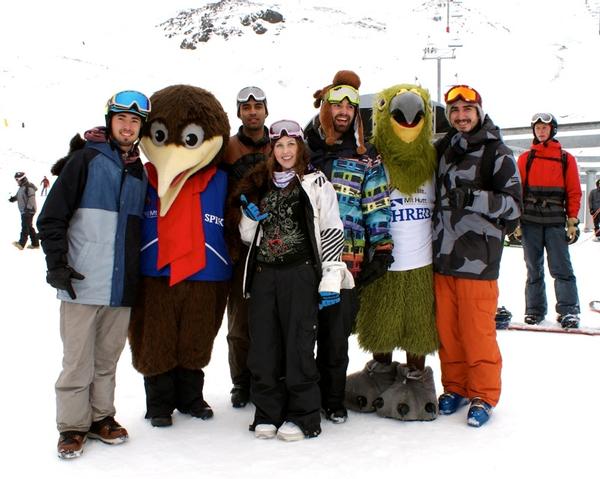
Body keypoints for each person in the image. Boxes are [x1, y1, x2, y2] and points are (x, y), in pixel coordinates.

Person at [37, 90, 150, 459]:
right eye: (122, 119)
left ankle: (102, 417)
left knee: (106, 359)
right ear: (110, 121)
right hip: (81, 281)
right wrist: (57, 265)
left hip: (120, 287)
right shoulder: (84, 161)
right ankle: (71, 426)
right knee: (77, 361)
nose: (128, 126)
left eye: (135, 121)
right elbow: (51, 217)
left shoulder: (138, 171)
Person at [232, 119, 352, 441]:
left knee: (299, 344)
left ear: (300, 147)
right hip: (264, 275)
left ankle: (304, 415)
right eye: (279, 145)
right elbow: (247, 237)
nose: (285, 151)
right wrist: (249, 215)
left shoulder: (315, 182)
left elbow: (330, 228)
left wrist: (331, 276)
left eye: (291, 144)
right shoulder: (262, 184)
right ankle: (268, 412)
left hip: (300, 273)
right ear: (272, 149)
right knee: (264, 347)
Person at [305, 70, 394, 423]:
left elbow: (376, 205)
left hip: (347, 259)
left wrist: (382, 249)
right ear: (325, 105)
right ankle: (302, 393)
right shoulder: (302, 148)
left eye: (351, 106)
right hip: (303, 256)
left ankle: (332, 397)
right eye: (337, 103)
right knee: (300, 332)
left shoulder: (366, 156)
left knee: (335, 336)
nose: (344, 110)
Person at [432, 85, 521, 427]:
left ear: (479, 111)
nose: (461, 115)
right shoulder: (443, 149)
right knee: (448, 332)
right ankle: (455, 387)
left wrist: (473, 198)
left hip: (478, 260)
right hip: (443, 258)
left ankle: (483, 394)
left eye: (467, 109)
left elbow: (513, 207)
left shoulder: (496, 152)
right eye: (455, 110)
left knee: (477, 332)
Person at [222, 86, 271, 408]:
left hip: (276, 243)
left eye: (258, 106)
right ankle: (241, 382)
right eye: (246, 107)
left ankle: (269, 376)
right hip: (238, 243)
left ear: (266, 110)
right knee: (240, 321)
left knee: (272, 317)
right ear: (238, 112)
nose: (252, 111)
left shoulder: (280, 143)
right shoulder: (227, 149)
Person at [515, 113, 582, 328]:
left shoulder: (565, 158)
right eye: (537, 128)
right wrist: (515, 221)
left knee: (561, 268)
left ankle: (568, 310)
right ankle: (534, 310)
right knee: (533, 268)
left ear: (552, 130)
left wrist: (572, 220)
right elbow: (517, 192)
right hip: (530, 221)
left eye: (545, 128)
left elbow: (573, 191)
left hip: (554, 222)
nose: (541, 131)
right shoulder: (525, 159)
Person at [9, 172, 39, 249]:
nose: (16, 181)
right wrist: (13, 199)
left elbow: (31, 199)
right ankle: (35, 244)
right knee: (29, 226)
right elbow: (18, 195)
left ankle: (21, 244)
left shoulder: (29, 187)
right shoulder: (22, 187)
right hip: (25, 210)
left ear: (21, 179)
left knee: (25, 226)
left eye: (17, 179)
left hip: (29, 210)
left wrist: (28, 209)